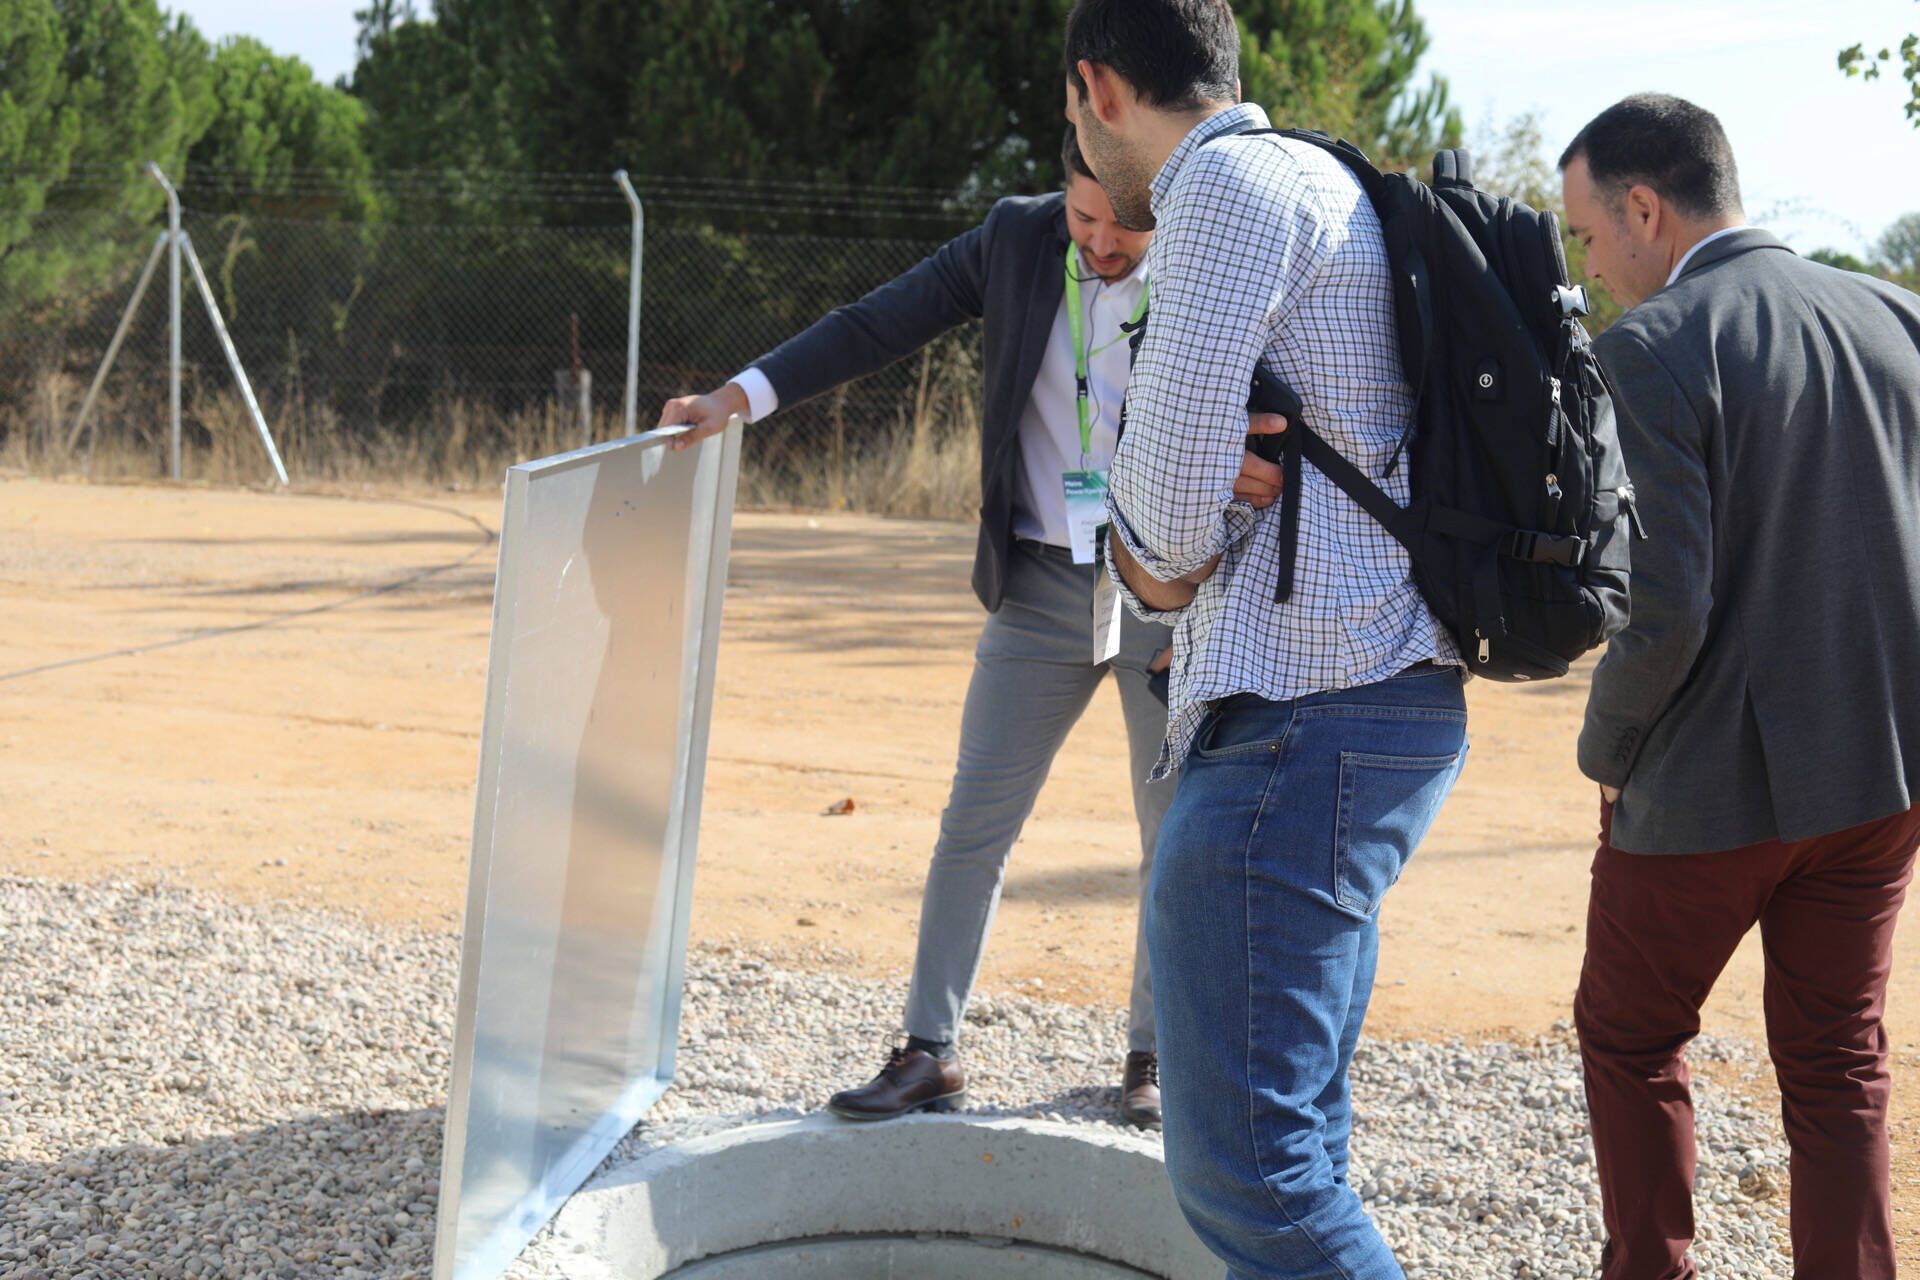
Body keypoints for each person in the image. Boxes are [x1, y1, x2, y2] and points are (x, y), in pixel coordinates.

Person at [658, 126, 1288, 1129]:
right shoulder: (1012, 239)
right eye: (1087, 217)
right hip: (1041, 586)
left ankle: (1154, 1058)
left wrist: (1222, 586)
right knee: (973, 824)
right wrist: (742, 396)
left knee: (1171, 834)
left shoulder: (1212, 265)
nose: (1105, 242)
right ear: (1063, 190)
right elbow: (877, 323)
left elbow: (1278, 428)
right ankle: (928, 1048)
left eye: (1129, 226)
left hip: (1173, 589)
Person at [1064, 0, 1467, 1274]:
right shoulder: (1317, 168)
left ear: (1100, 87)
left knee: (1252, 1176)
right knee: (1299, 1143)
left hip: (1299, 715)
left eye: (1075, 112)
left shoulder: (1223, 188)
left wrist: (1136, 545)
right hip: (1373, 699)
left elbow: (1169, 528)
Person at [1560, 93, 1920, 1280]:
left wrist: (1606, 750)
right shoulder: (1900, 321)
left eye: (1588, 232)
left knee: (1628, 1035)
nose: (1591, 262)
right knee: (1837, 1057)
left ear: (1647, 209)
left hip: (1706, 792)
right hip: (1881, 779)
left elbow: (1663, 611)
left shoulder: (1651, 346)